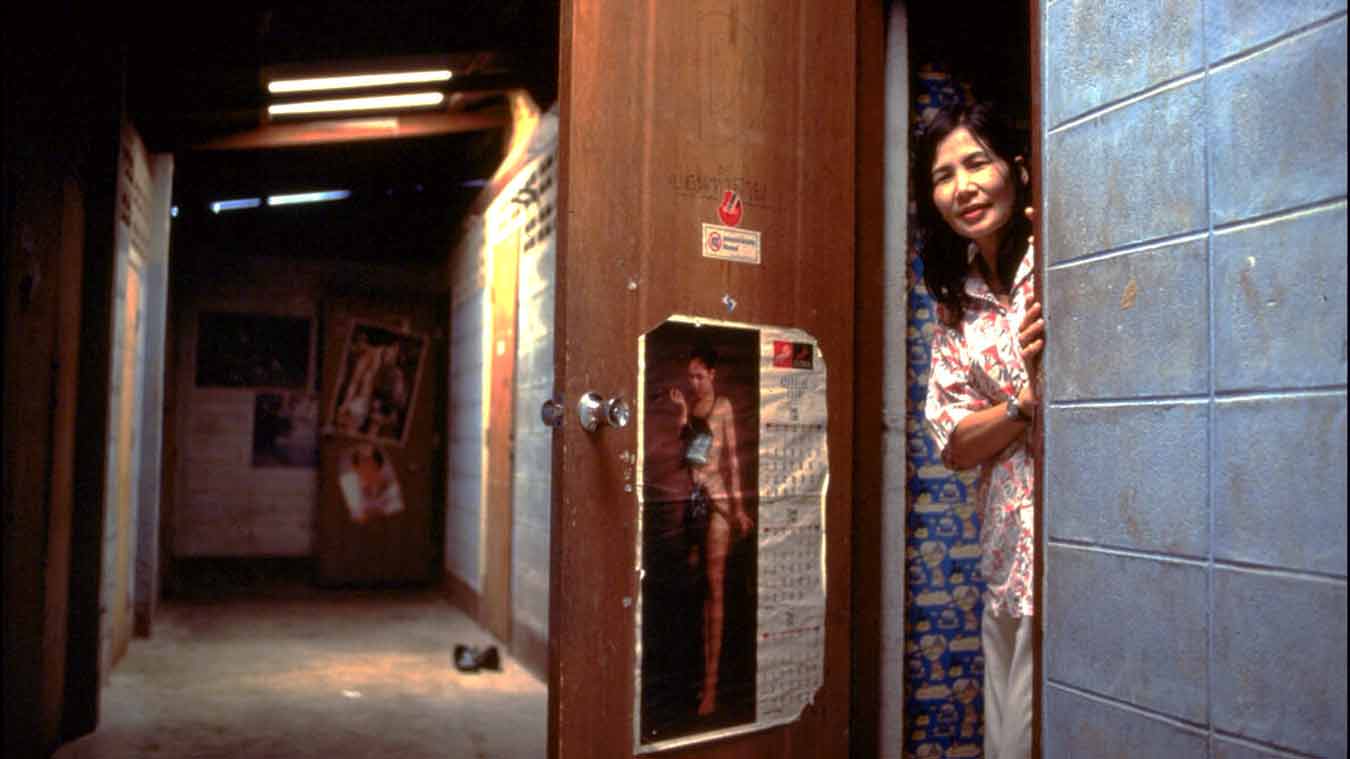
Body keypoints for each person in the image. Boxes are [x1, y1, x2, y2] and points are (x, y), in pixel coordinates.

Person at [916, 101, 1043, 759]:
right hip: (1005, 553)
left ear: (1017, 170)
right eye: (943, 175)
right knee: (1008, 741)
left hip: (1075, 545)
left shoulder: (1056, 260)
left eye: (976, 163)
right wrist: (1022, 406)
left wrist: (1000, 416)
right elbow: (954, 441)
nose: (961, 187)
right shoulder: (955, 300)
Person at [668, 345, 754, 717]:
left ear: (713, 374)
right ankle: (699, 678)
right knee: (699, 588)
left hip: (717, 503)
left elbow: (731, 459)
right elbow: (690, 457)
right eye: (691, 376)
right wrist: (684, 415)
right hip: (695, 500)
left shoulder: (722, 408)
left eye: (700, 375)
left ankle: (712, 688)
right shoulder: (696, 408)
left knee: (715, 590)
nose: (694, 381)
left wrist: (739, 508)